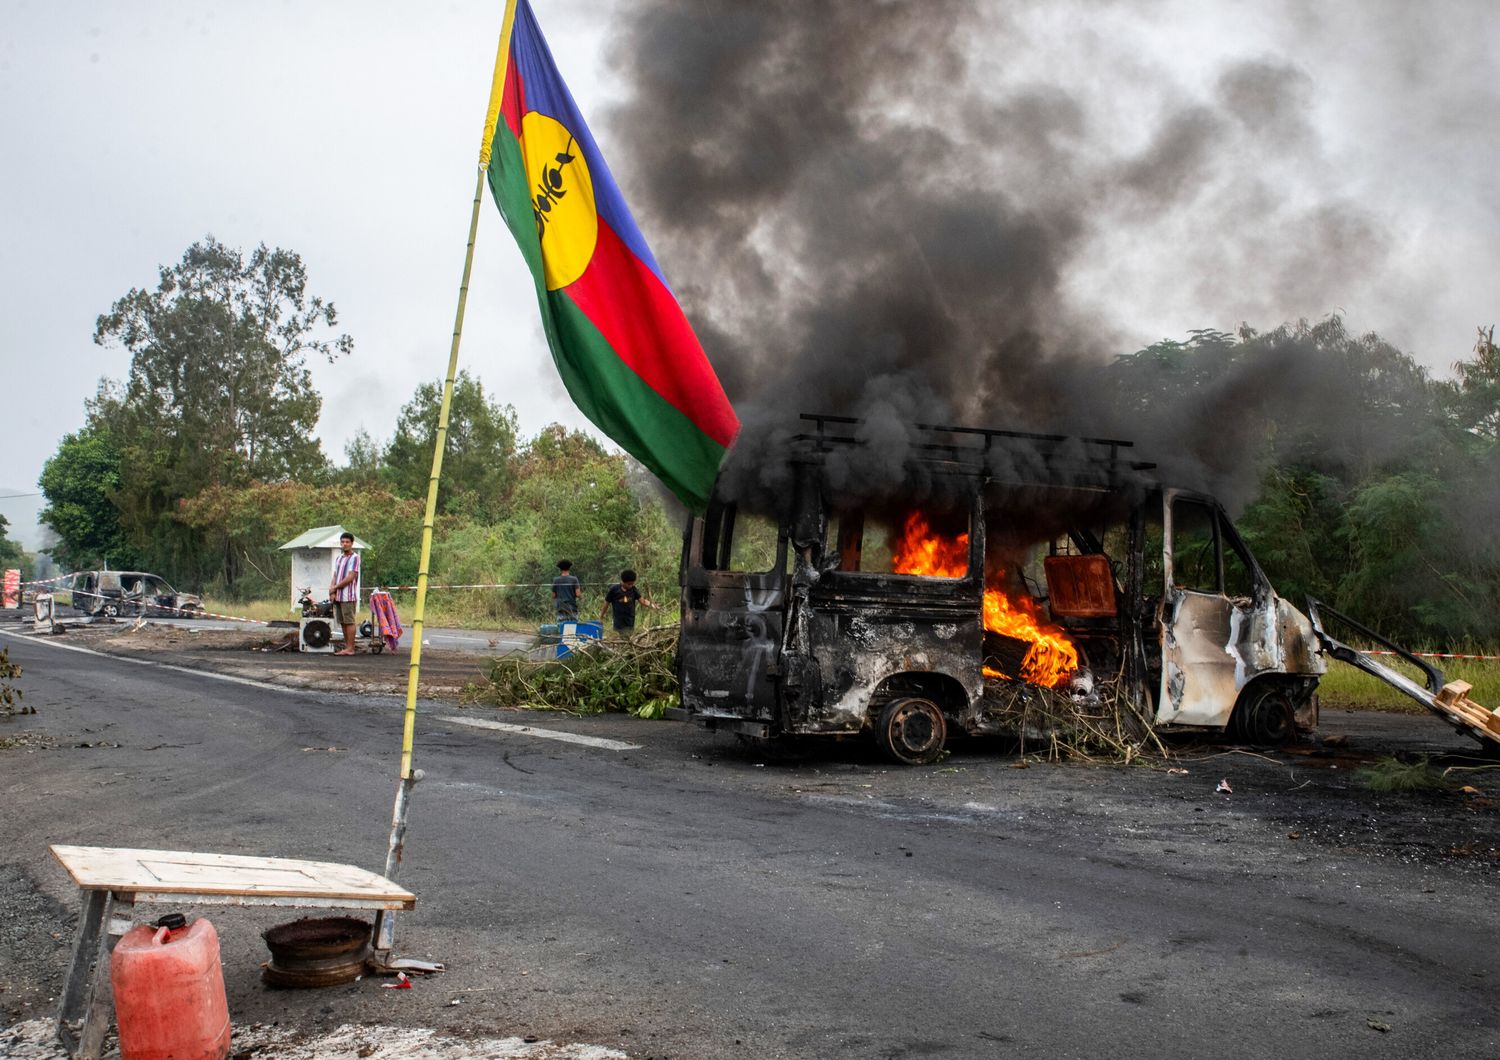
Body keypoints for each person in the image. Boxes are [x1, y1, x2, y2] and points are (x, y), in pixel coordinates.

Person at [329, 531, 361, 656]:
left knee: (349, 621)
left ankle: (350, 648)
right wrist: (332, 590)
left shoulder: (355, 558)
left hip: (348, 595)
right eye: (342, 542)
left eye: (347, 542)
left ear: (352, 543)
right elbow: (335, 575)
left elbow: (351, 577)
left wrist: (335, 587)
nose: (344, 544)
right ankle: (347, 646)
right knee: (342, 622)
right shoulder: (339, 558)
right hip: (338, 596)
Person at [601, 568, 656, 637]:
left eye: (632, 584)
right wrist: (601, 616)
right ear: (622, 582)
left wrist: (653, 605)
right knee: (621, 637)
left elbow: (643, 601)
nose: (631, 586)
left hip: (630, 620)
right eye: (629, 584)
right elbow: (606, 603)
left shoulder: (633, 590)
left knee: (628, 637)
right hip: (619, 621)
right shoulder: (614, 590)